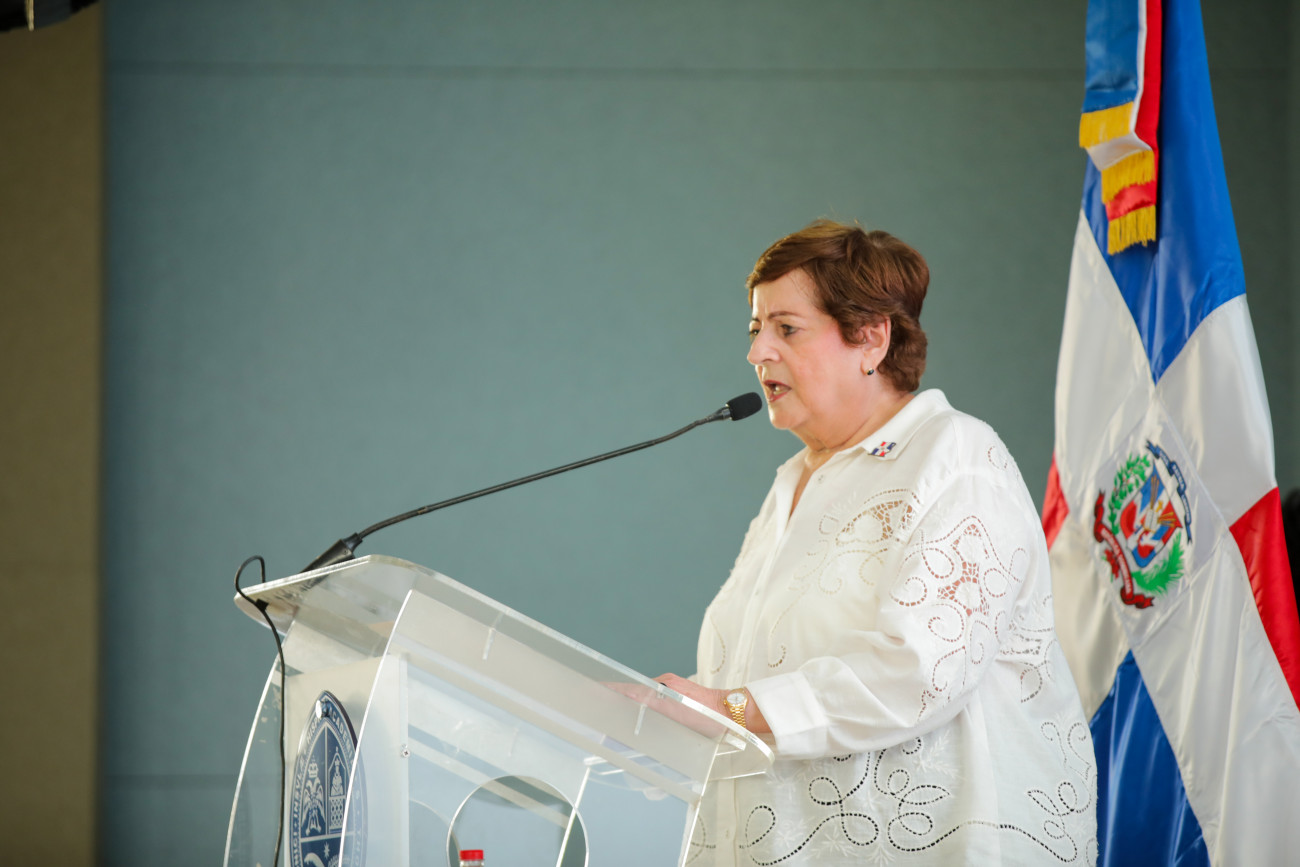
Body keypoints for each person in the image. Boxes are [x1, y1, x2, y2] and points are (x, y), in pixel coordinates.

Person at [656, 220, 1097, 865]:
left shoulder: (954, 458)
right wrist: (667, 712)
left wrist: (731, 709)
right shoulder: (795, 481)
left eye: (786, 328)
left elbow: (919, 670)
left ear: (871, 338)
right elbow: (760, 671)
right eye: (755, 328)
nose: (756, 352)